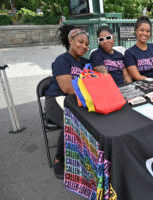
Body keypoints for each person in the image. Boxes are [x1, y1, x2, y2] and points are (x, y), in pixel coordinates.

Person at [45, 25, 89, 179]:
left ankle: (88, 156)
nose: (84, 46)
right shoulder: (61, 60)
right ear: (71, 41)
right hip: (55, 101)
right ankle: (59, 158)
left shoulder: (85, 62)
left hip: (76, 100)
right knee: (71, 121)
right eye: (80, 42)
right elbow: (67, 88)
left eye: (86, 44)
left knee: (91, 119)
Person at [124, 16, 153, 80]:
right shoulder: (129, 53)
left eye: (148, 31)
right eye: (142, 30)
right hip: (144, 85)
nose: (145, 33)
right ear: (136, 31)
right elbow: (137, 76)